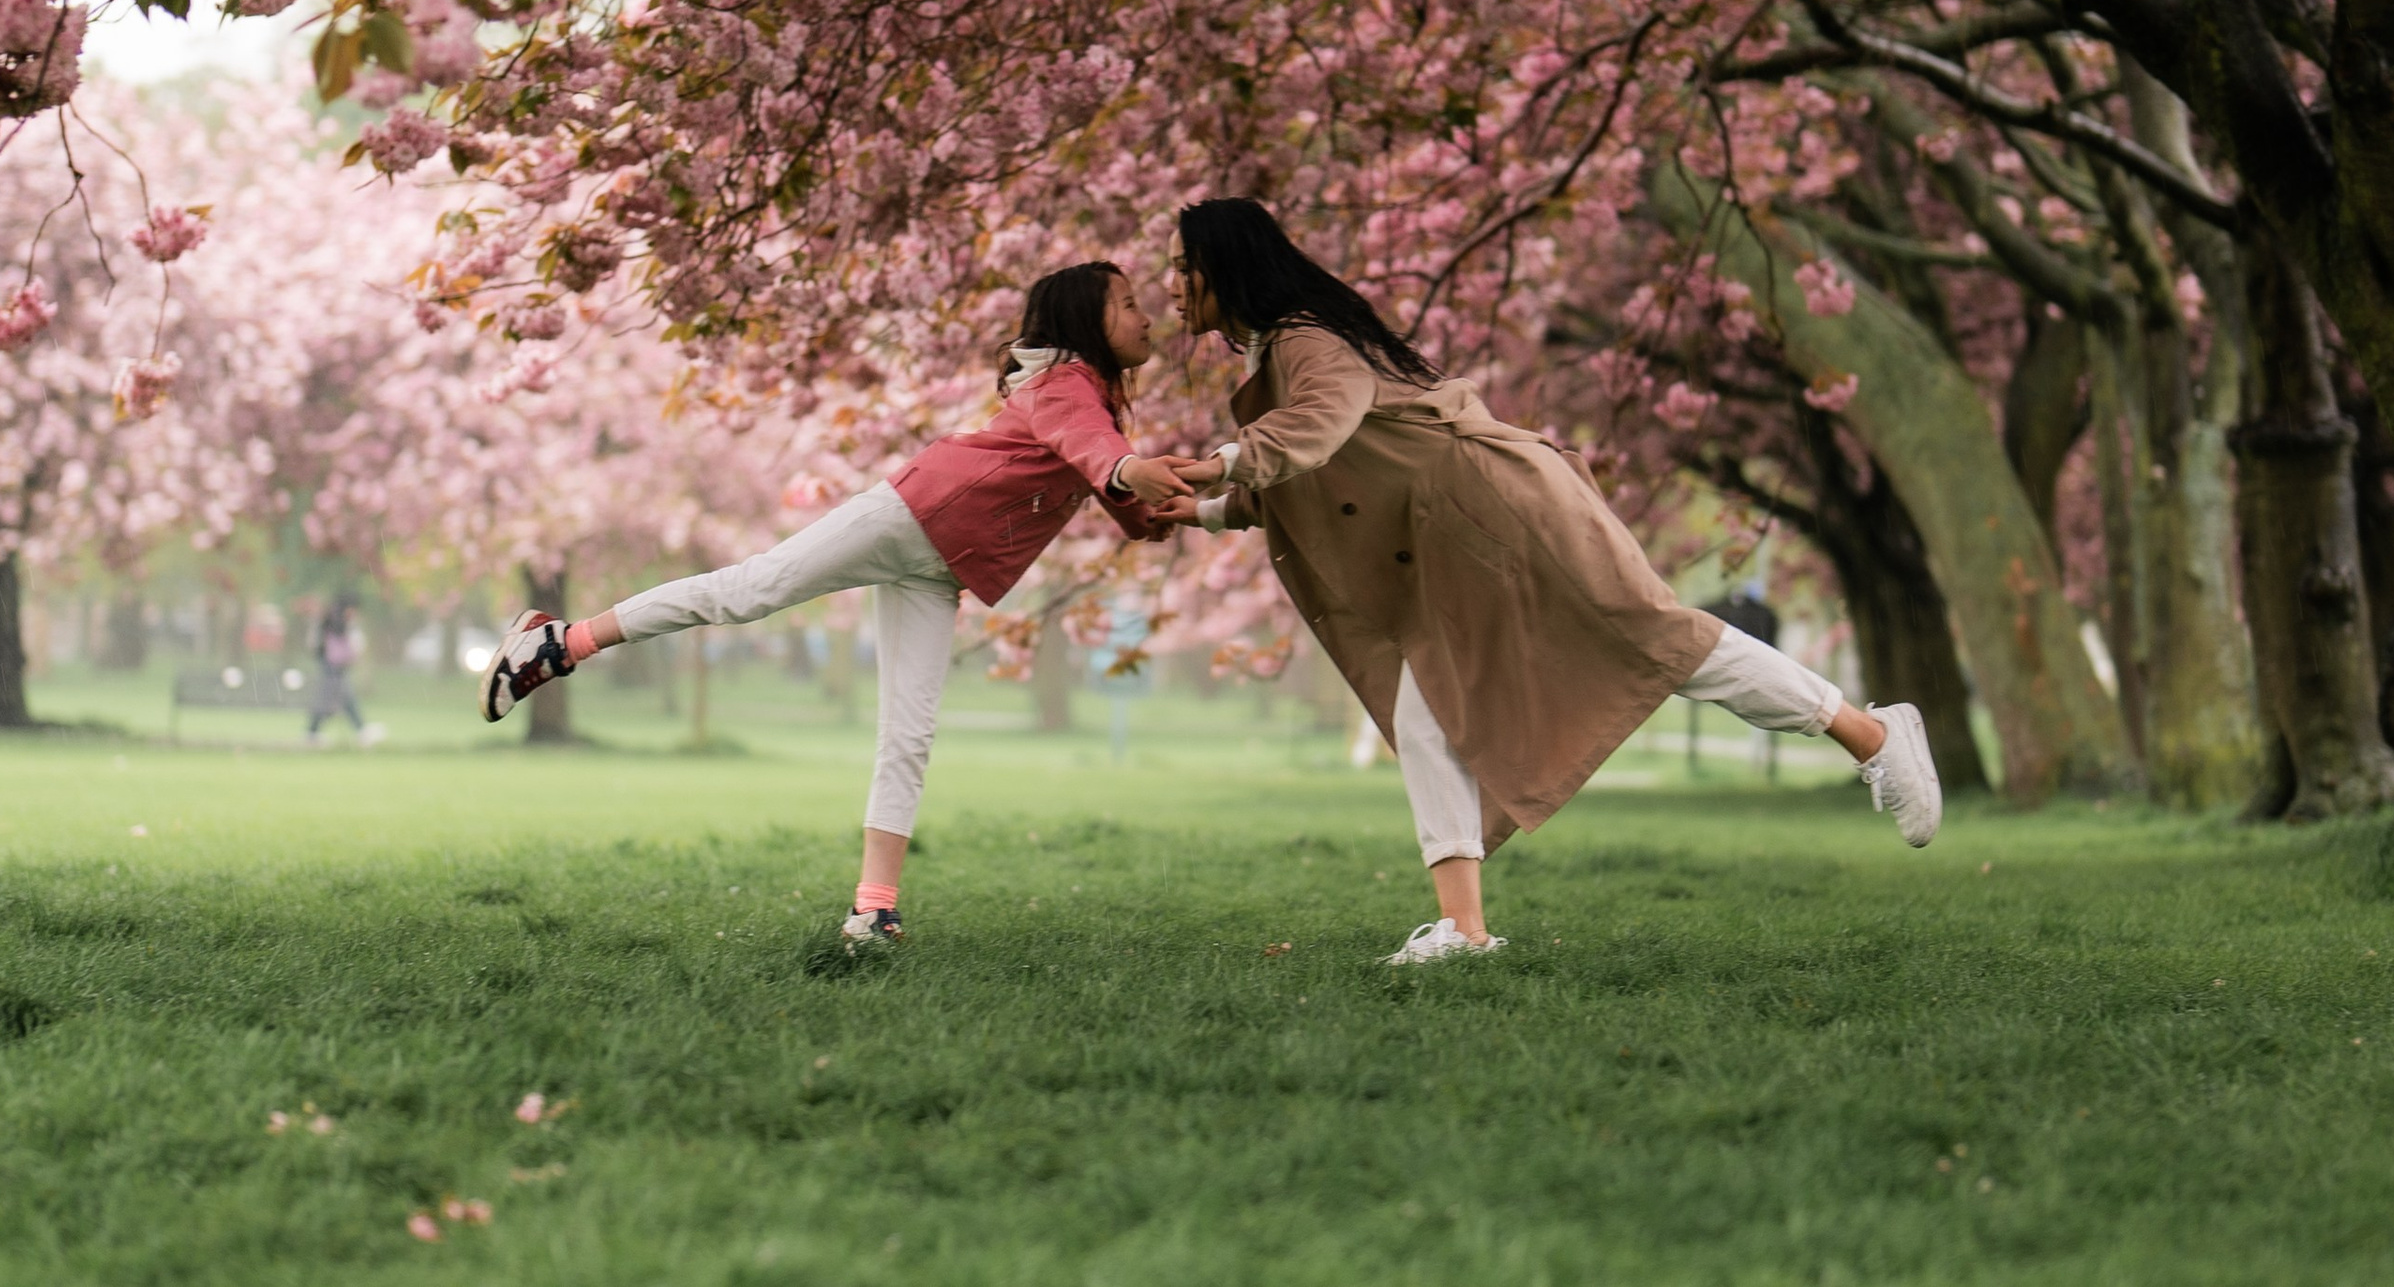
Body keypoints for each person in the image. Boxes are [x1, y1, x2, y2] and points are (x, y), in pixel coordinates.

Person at [1159, 198, 1942, 964]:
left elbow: (1317, 426)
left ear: (1226, 266)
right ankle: (1463, 930)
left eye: (1182, 267)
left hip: (1495, 507)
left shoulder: (1307, 338)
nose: (1171, 286)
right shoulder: (1279, 347)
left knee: (1656, 637)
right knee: (1425, 713)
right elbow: (1314, 473)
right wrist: (1204, 509)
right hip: (1442, 540)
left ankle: (1871, 734)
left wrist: (1216, 466)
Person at [476, 261, 1205, 947]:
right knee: (751, 590)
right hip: (909, 517)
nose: (1148, 317)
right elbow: (1097, 452)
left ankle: (874, 910)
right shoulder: (1066, 383)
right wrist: (1132, 471)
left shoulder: (1096, 402)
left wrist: (1187, 498)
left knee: (909, 732)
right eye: (1129, 305)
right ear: (1084, 322)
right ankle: (560, 642)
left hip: (939, 570)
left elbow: (1117, 484)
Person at [306, 595, 375, 744]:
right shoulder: (338, 621)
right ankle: (313, 732)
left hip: (332, 665)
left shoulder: (330, 618)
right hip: (333, 666)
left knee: (338, 698)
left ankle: (313, 732)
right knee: (335, 699)